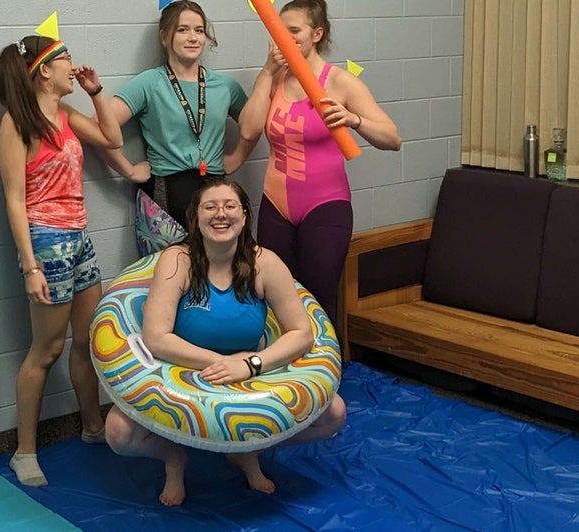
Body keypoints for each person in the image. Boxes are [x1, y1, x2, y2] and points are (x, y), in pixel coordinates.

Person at [104, 177, 347, 506]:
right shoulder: (178, 261)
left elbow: (301, 332)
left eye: (230, 206)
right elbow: (156, 338)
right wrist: (219, 364)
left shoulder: (265, 263)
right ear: (196, 217)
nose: (221, 214)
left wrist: (249, 364)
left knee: (334, 413)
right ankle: (174, 459)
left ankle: (249, 451)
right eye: (210, 207)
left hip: (248, 369)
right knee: (118, 432)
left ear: (245, 215)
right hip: (184, 371)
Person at [0, 35, 123, 487]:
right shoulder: (18, 123)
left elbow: (113, 137)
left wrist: (96, 93)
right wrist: (30, 266)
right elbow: (14, 201)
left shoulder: (66, 115)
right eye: (66, 58)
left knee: (87, 341)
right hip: (46, 241)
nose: (74, 64)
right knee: (45, 351)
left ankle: (92, 428)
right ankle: (24, 452)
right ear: (44, 70)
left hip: (80, 236)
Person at [240, 0, 401, 327]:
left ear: (317, 33)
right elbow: (247, 129)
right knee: (274, 295)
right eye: (279, 30)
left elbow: (392, 138)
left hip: (326, 205)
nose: (285, 37)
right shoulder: (274, 78)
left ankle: (325, 374)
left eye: (294, 31)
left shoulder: (339, 82)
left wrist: (354, 120)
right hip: (276, 205)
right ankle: (284, 372)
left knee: (317, 297)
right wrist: (266, 74)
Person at [100, 0, 256, 248]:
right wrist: (127, 169)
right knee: (171, 275)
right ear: (165, 37)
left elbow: (254, 124)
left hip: (216, 191)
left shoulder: (225, 86)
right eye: (182, 30)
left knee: (221, 272)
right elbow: (98, 128)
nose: (193, 37)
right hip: (166, 194)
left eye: (199, 30)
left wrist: (239, 156)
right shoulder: (149, 83)